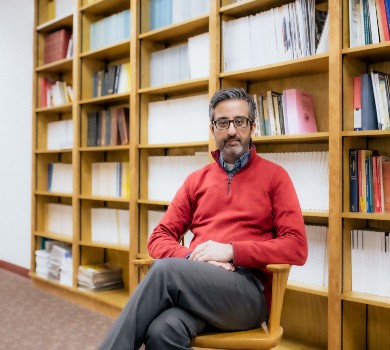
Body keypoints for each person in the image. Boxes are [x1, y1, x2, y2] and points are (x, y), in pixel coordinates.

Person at [99, 87, 308, 350]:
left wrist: (231, 252)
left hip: (247, 295)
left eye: (239, 122)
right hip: (197, 286)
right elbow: (158, 238)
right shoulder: (196, 181)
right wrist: (194, 258)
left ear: (252, 127)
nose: (231, 130)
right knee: (163, 330)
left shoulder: (276, 177)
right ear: (213, 129)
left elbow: (296, 247)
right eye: (223, 122)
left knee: (164, 270)